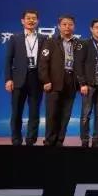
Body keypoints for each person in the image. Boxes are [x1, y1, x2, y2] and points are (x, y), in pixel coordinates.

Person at [39, 14, 81, 147]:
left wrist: (81, 83)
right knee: (52, 114)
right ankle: (49, 141)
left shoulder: (78, 43)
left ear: (74, 26)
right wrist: (46, 80)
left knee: (66, 115)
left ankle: (59, 141)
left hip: (71, 82)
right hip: (54, 82)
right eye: (64, 24)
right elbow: (43, 63)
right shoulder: (51, 41)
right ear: (59, 26)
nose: (67, 27)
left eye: (70, 24)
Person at [3, 9, 43, 146]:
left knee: (34, 112)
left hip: (36, 79)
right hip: (18, 79)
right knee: (16, 112)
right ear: (22, 21)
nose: (31, 20)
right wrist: (8, 79)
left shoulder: (43, 38)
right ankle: (16, 139)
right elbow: (8, 60)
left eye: (34, 18)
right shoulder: (15, 38)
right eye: (28, 18)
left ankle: (31, 140)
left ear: (37, 21)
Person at [75, 18, 98, 148]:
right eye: (96, 27)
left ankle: (96, 139)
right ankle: (85, 140)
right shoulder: (84, 44)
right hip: (89, 85)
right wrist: (82, 83)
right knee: (86, 114)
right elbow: (78, 64)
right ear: (91, 29)